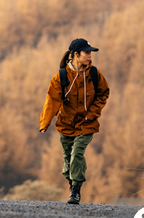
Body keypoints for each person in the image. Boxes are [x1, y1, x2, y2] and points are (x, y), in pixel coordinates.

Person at [39, 38, 110, 204]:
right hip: (66, 125)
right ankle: (73, 183)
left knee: (77, 154)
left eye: (90, 53)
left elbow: (103, 93)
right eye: (86, 52)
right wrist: (45, 123)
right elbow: (51, 101)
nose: (89, 56)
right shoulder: (61, 77)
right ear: (75, 55)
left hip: (87, 124)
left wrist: (92, 113)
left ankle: (76, 191)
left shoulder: (94, 74)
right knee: (68, 162)